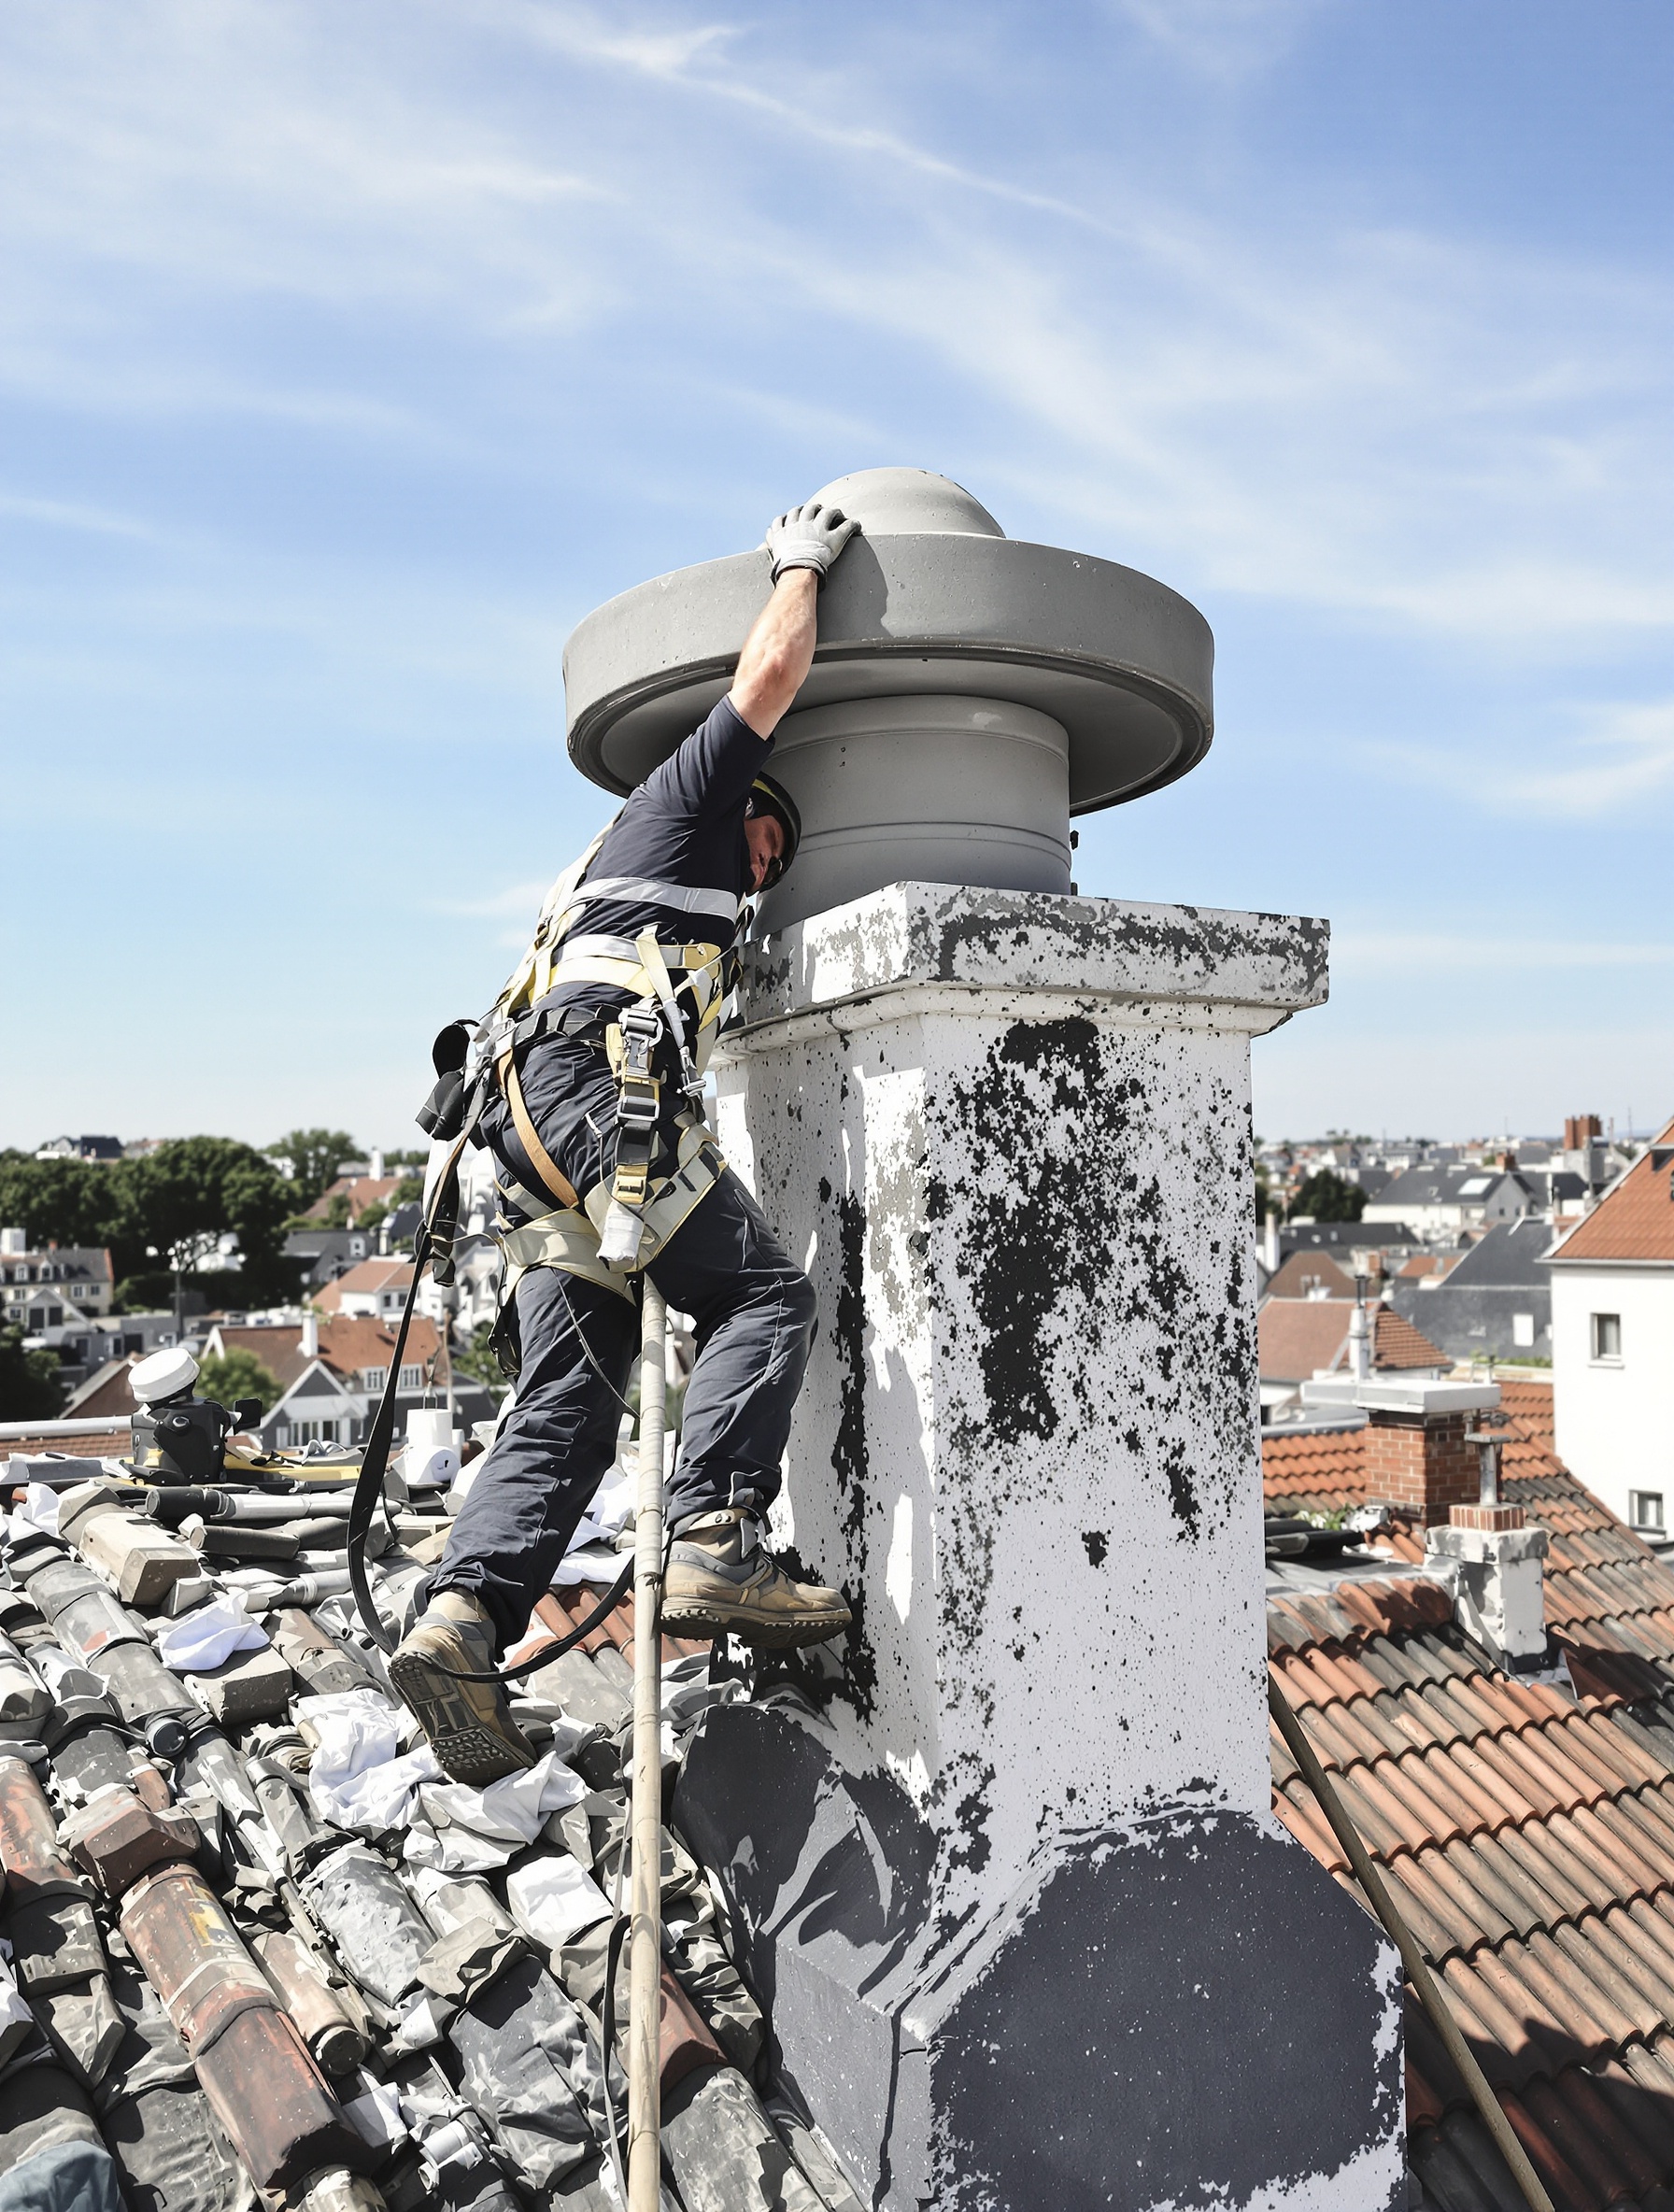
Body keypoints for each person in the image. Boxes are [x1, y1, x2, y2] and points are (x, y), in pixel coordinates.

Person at [390, 499, 859, 1782]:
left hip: (533, 1128)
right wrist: (803, 561)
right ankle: (714, 1534)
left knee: (573, 1403)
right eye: (769, 837)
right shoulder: (687, 804)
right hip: (594, 1105)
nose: (766, 868)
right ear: (742, 802)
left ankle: (463, 1622)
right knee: (762, 1294)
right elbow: (770, 671)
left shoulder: (650, 895)